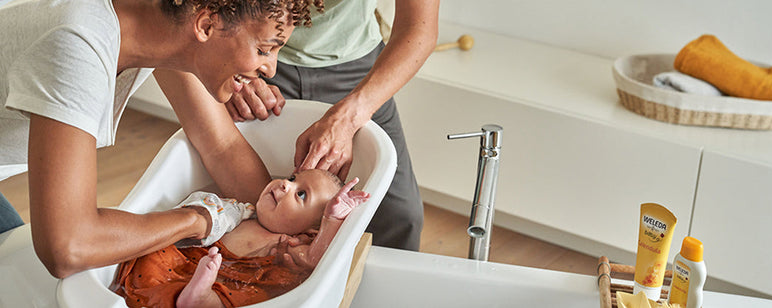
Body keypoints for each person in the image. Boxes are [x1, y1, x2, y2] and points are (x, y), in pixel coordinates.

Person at [0, 0, 322, 278]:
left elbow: (222, 146)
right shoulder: (78, 45)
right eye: (264, 49)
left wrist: (285, 230)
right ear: (207, 24)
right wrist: (197, 219)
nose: (270, 68)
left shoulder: (159, 27)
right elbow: (68, 246)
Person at [223, 0, 441, 251]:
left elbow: (419, 29)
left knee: (402, 216)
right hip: (254, 52)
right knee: (240, 189)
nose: (285, 183)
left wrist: (350, 116)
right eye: (292, 179)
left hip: (356, 69)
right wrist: (235, 65)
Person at [112, 169, 369, 308]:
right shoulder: (242, 212)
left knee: (256, 298)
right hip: (192, 262)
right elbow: (208, 221)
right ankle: (190, 294)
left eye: (301, 195)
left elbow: (316, 261)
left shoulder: (291, 244)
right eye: (292, 178)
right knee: (157, 252)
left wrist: (332, 220)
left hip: (239, 282)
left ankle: (203, 300)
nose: (285, 185)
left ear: (309, 230)